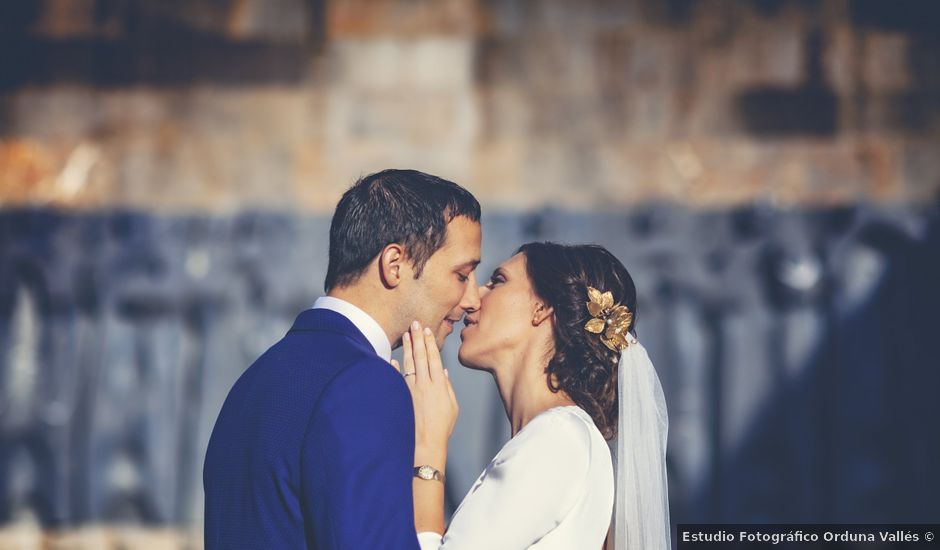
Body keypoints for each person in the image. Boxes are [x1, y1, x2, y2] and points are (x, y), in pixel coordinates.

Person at [203, 169, 482, 549]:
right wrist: (428, 459)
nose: (472, 301)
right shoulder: (365, 383)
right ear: (394, 263)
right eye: (461, 274)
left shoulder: (254, 380)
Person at [401, 242, 671, 549]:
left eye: (497, 281)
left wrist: (427, 449)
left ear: (542, 307)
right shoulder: (552, 437)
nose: (472, 299)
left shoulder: (558, 438)